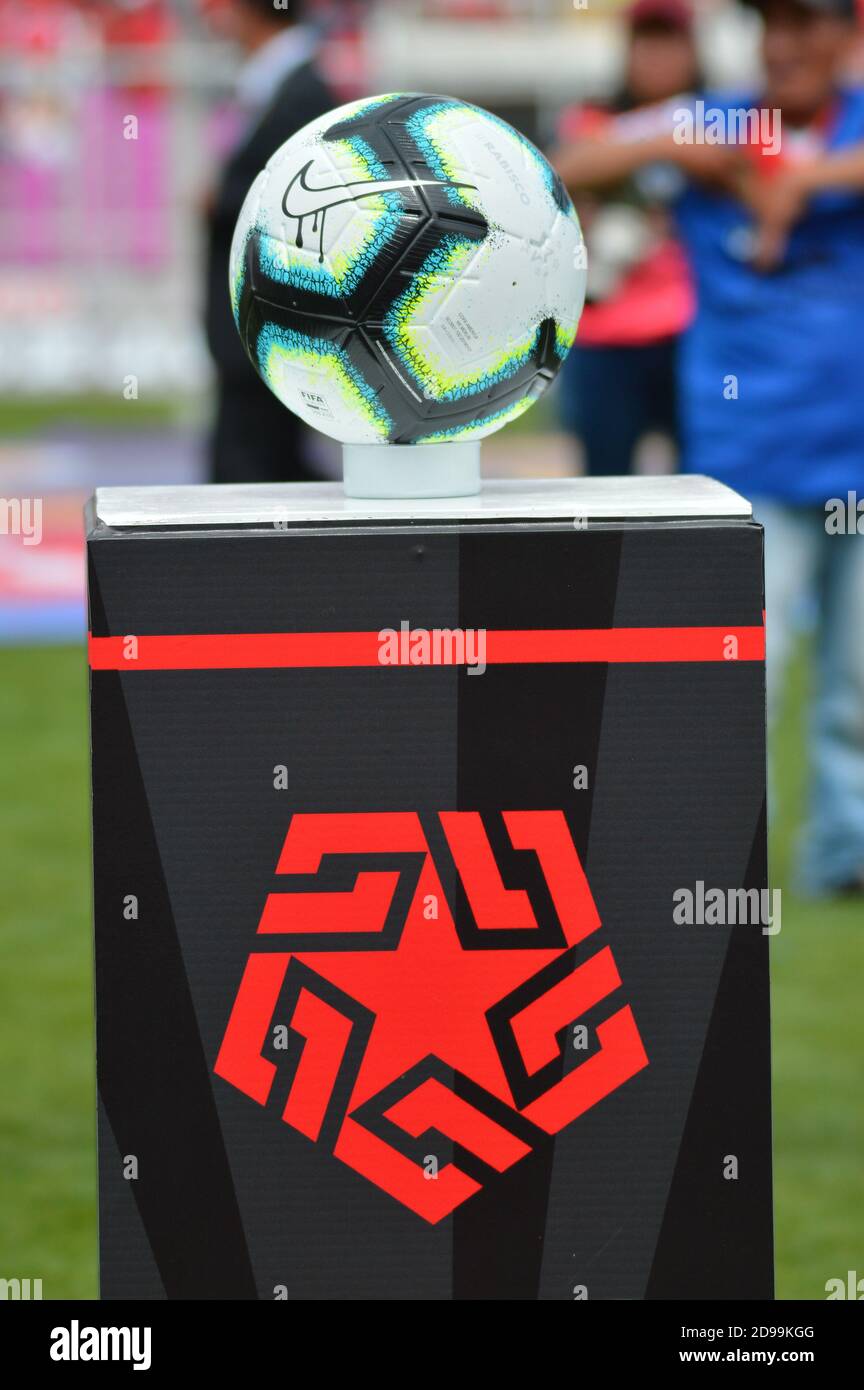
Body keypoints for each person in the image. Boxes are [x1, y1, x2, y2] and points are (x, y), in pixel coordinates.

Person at [555, 0, 864, 895]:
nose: (786, 43)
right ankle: (726, 865)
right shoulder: (713, 120)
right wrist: (666, 148)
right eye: (773, 23)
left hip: (857, 454)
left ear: (843, 35)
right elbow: (562, 165)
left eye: (807, 23)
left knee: (854, 685)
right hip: (749, 455)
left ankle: (844, 857)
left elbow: (808, 176)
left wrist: (808, 184)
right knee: (738, 684)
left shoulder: (843, 125)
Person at [554, 0, 699, 475]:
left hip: (690, 331)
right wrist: (660, 139)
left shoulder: (720, 115)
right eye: (646, 42)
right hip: (605, 335)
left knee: (704, 491)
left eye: (669, 42)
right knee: (605, 493)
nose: (657, 56)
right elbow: (562, 167)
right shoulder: (593, 117)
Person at [203, 0, 335, 483]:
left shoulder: (302, 88)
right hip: (255, 318)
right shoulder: (270, 82)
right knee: (259, 457)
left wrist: (218, 199)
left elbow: (292, 195)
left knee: (257, 467)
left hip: (266, 309)